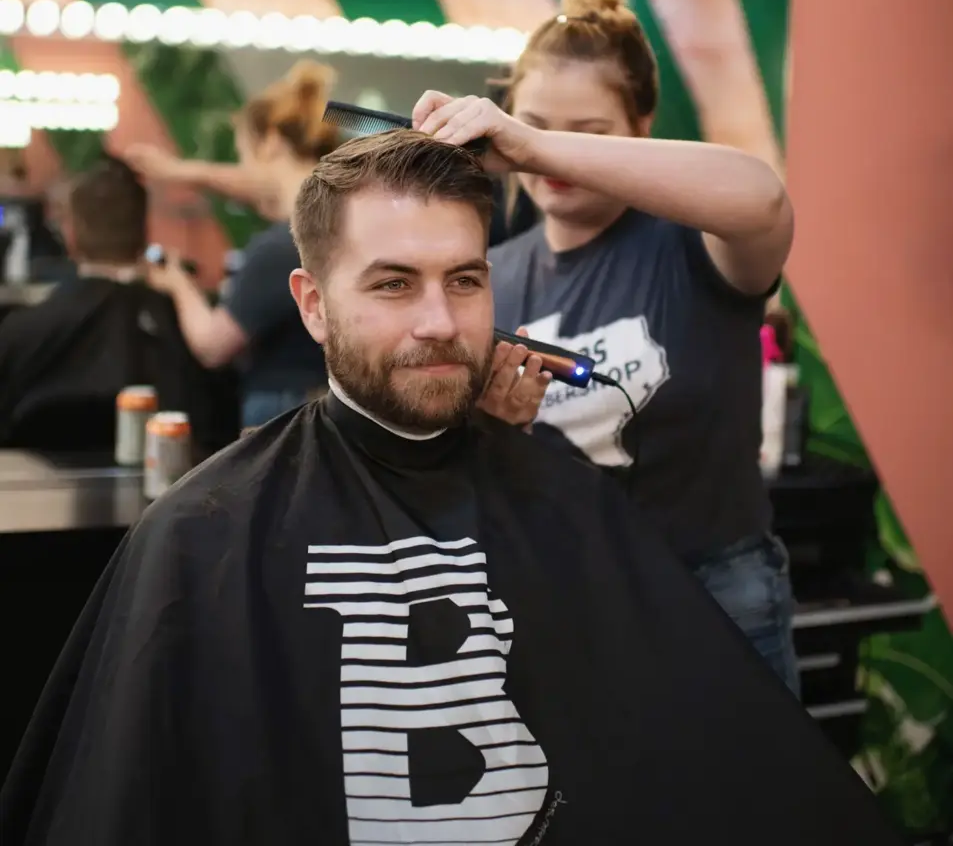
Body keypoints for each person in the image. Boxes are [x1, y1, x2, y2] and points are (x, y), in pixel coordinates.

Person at [0, 128, 902, 846]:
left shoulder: (560, 499)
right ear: (312, 305)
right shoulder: (203, 527)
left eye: (463, 281)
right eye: (394, 284)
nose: (438, 321)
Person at [411, 0, 799, 694]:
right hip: (564, 595)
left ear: (641, 129)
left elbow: (765, 200)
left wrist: (535, 143)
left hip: (713, 593)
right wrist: (495, 430)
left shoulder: (695, 246)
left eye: (585, 135)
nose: (544, 161)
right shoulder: (492, 272)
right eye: (532, 124)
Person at [133, 62, 336, 428]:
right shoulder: (339, 221)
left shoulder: (282, 246)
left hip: (283, 411)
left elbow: (212, 346)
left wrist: (177, 282)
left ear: (271, 143)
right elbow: (254, 186)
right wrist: (182, 172)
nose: (242, 171)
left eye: (244, 155)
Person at [0, 155, 227, 452]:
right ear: (144, 232)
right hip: (173, 480)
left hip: (36, 480)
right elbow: (217, 432)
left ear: (70, 234)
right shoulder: (192, 331)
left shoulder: (20, 332)